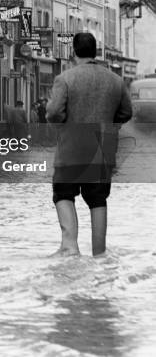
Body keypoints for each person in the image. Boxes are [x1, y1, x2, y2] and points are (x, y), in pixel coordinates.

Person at [46, 32, 132, 257]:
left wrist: (60, 124)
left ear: (73, 52)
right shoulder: (115, 80)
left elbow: (54, 112)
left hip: (71, 148)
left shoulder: (65, 79)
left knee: (64, 193)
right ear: (95, 52)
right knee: (97, 197)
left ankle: (70, 246)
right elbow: (126, 112)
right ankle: (99, 252)